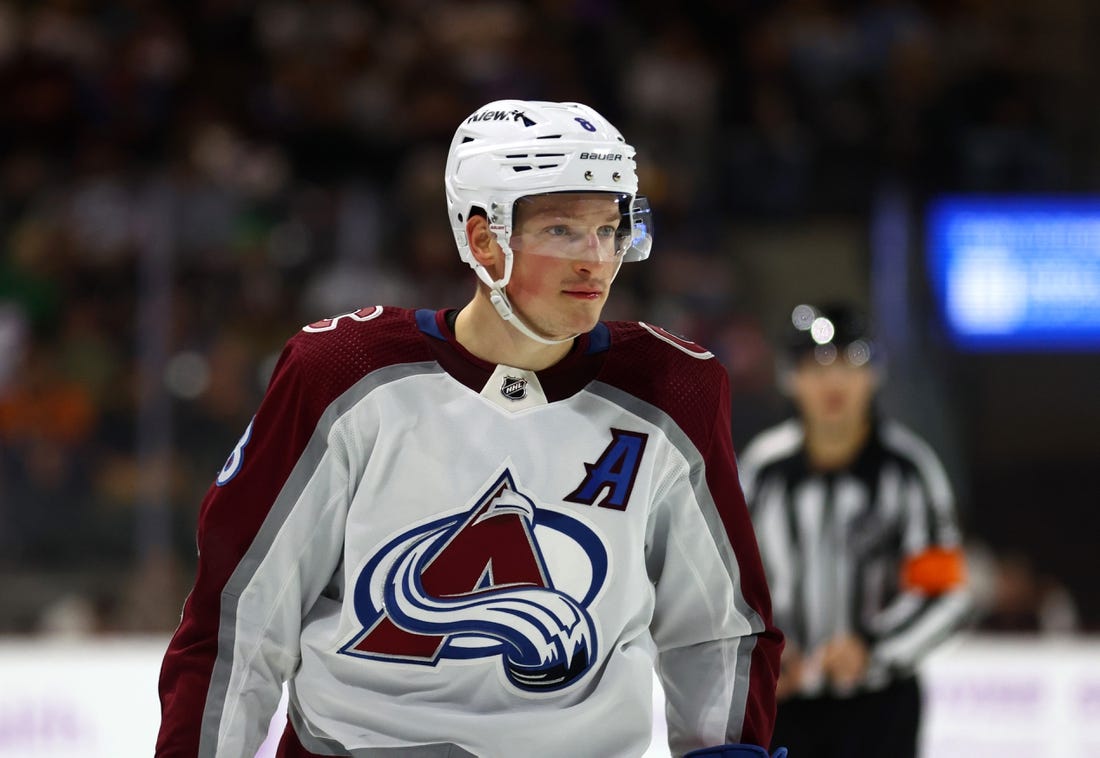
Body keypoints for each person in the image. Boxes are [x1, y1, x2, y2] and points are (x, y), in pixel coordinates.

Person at [156, 99, 786, 758]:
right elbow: (239, 622)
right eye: (563, 230)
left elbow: (718, 629)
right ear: (484, 240)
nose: (596, 261)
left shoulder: (674, 390)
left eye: (610, 227)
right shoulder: (343, 376)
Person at [739, 302, 973, 758]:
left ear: (873, 374)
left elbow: (945, 592)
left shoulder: (908, 470)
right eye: (817, 364)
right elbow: (726, 581)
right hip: (785, 699)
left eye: (851, 361)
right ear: (792, 378)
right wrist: (762, 653)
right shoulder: (762, 470)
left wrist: (872, 649)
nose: (834, 380)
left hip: (880, 708)